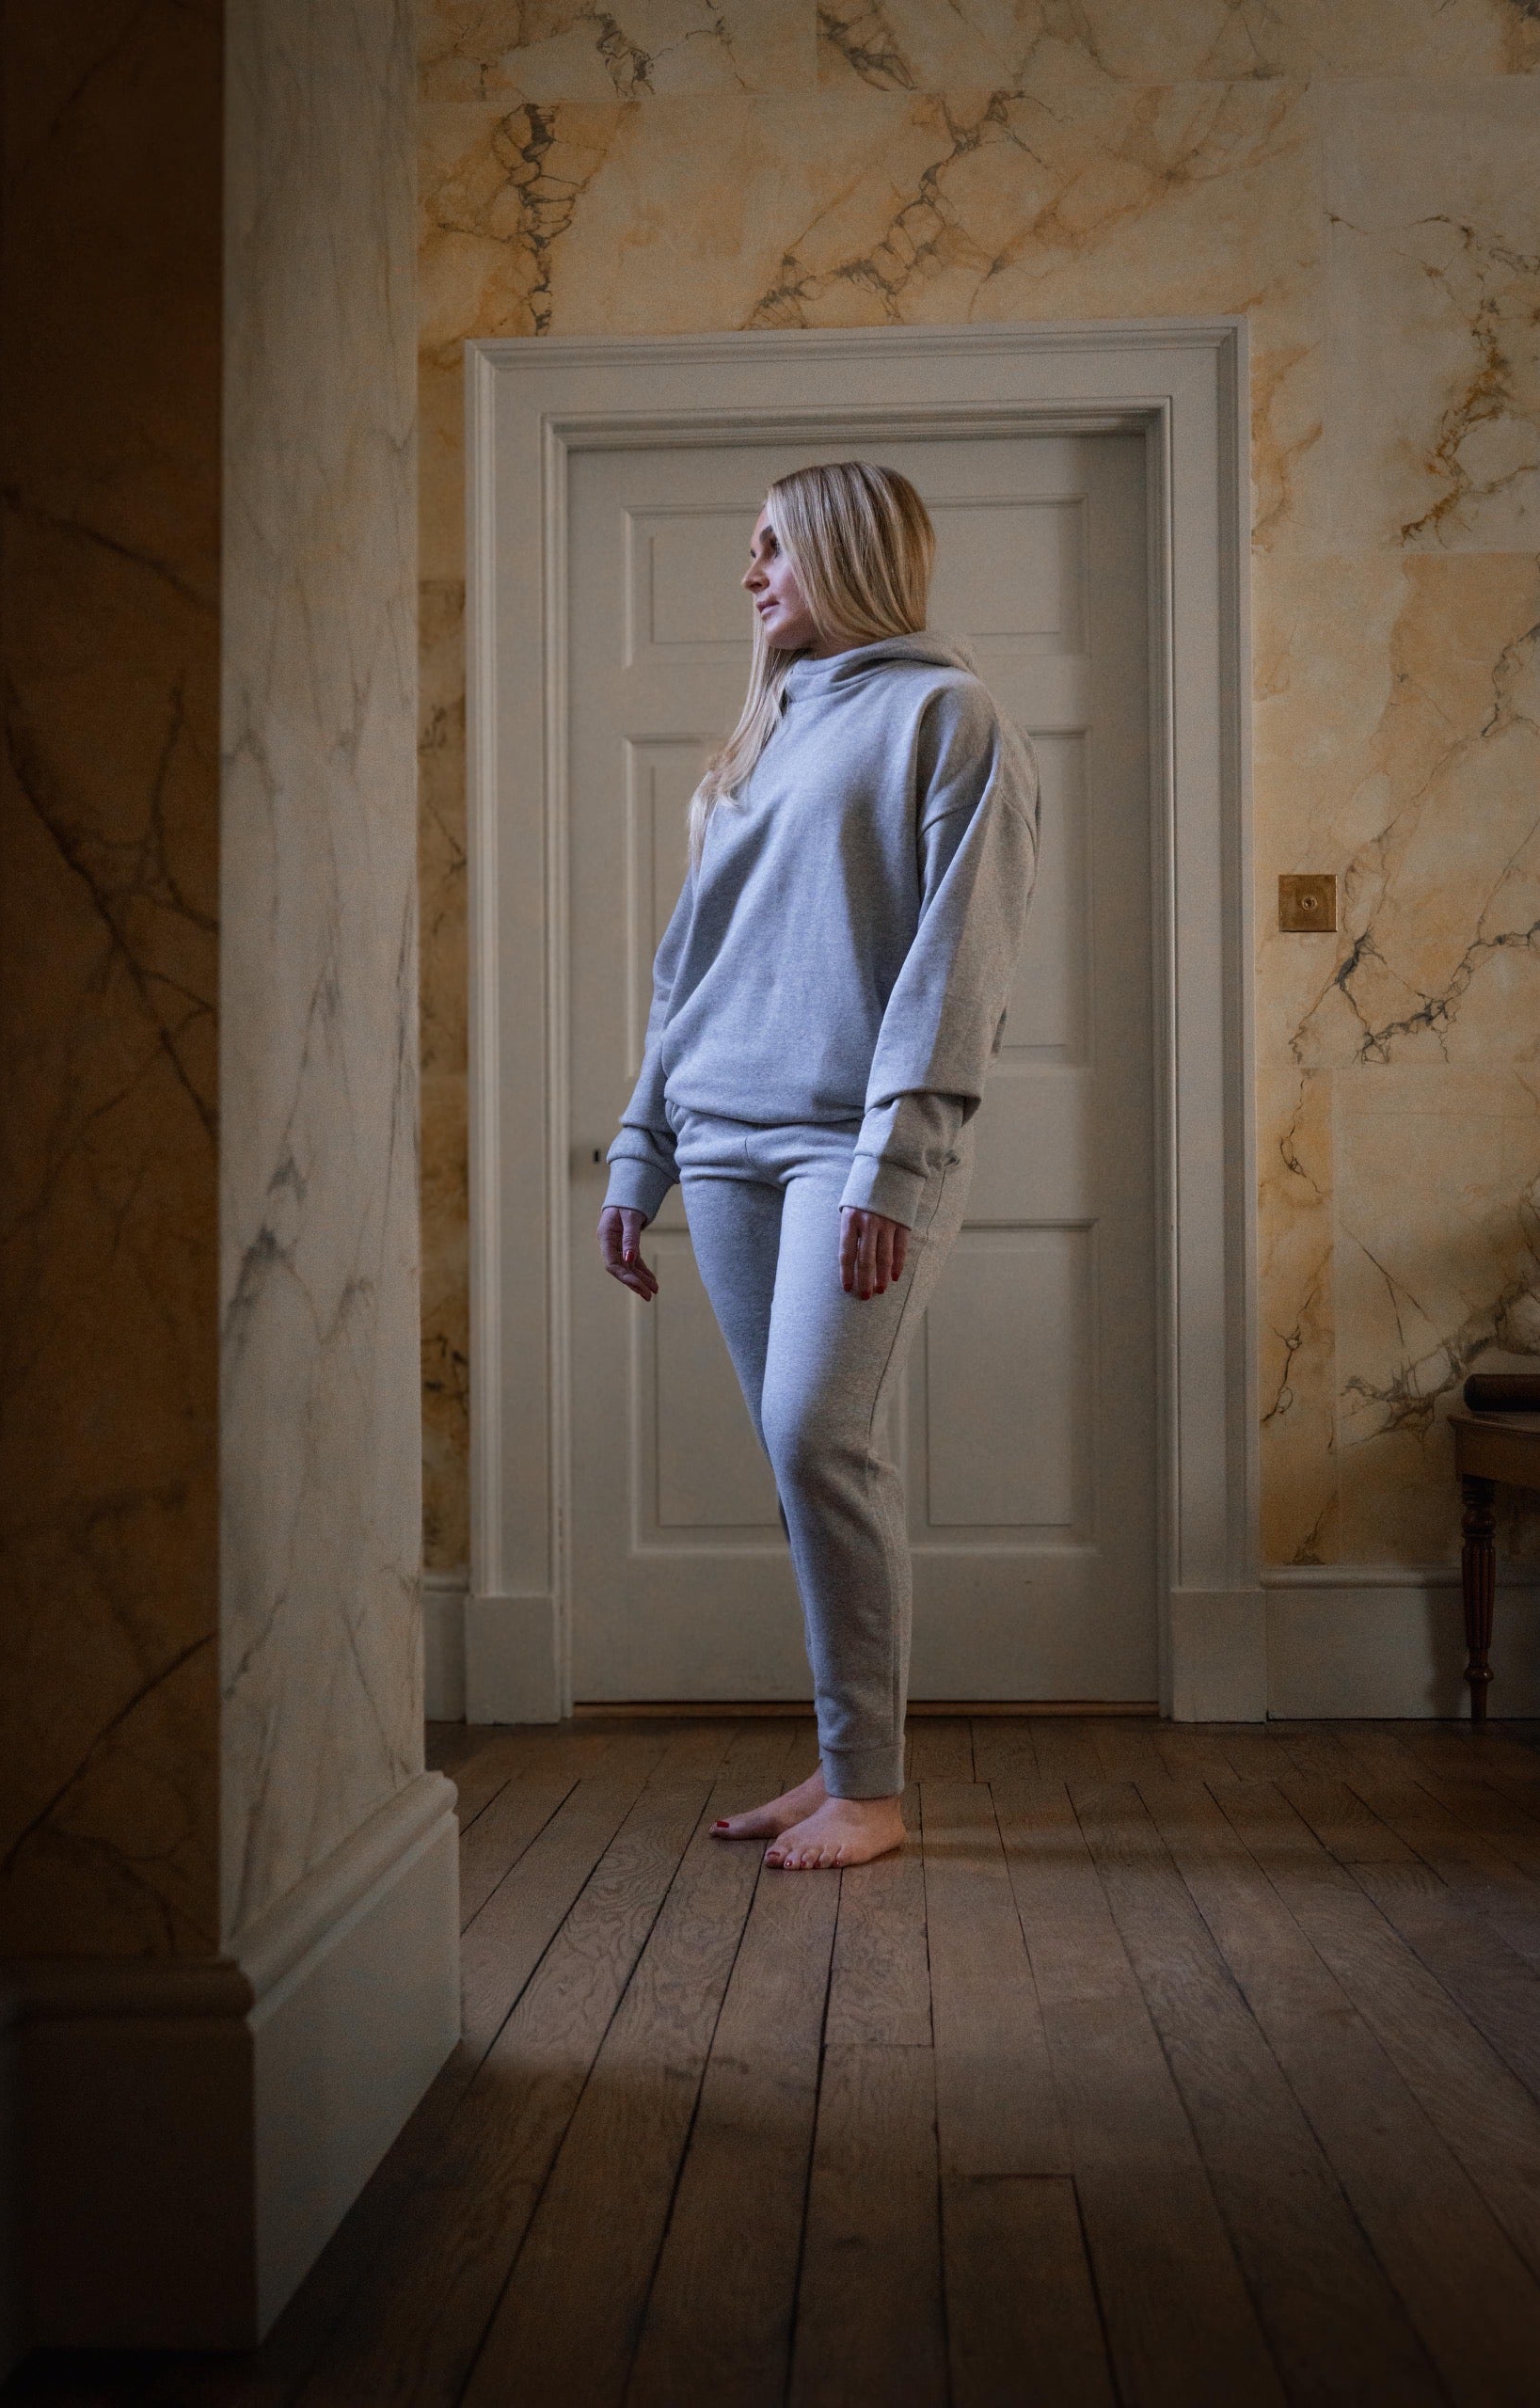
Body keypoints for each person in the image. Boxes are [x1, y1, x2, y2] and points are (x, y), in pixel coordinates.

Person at [596, 461, 1040, 1871]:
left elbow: (954, 969)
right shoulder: (762, 735)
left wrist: (895, 1168)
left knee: (816, 1438)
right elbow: (691, 973)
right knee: (808, 1468)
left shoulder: (949, 718)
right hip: (720, 1141)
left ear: (849, 554)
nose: (750, 576)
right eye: (749, 549)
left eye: (773, 548)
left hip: (851, 1149)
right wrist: (639, 1151)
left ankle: (874, 1793)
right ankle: (845, 1763)